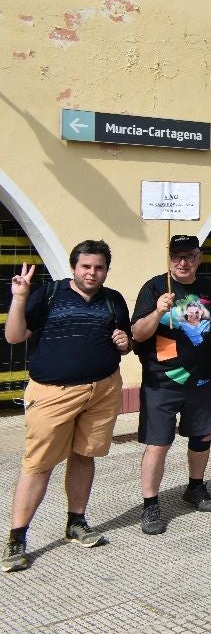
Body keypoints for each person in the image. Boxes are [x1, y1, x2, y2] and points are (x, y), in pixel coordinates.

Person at [3, 242, 132, 572]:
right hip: (53, 394)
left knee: (85, 455)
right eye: (86, 266)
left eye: (99, 267)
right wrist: (19, 298)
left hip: (102, 390)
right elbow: (14, 336)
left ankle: (76, 521)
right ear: (74, 267)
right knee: (38, 464)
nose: (92, 273)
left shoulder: (113, 299)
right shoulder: (49, 294)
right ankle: (17, 537)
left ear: (106, 270)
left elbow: (124, 340)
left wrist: (125, 343)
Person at [130, 234, 211, 535]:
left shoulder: (208, 287)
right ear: (169, 257)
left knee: (203, 435)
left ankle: (195, 487)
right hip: (162, 379)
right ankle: (150, 503)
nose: (182, 262)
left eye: (189, 256)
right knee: (159, 443)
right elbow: (138, 333)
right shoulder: (155, 287)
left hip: (202, 377)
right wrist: (158, 311)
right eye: (176, 256)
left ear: (199, 257)